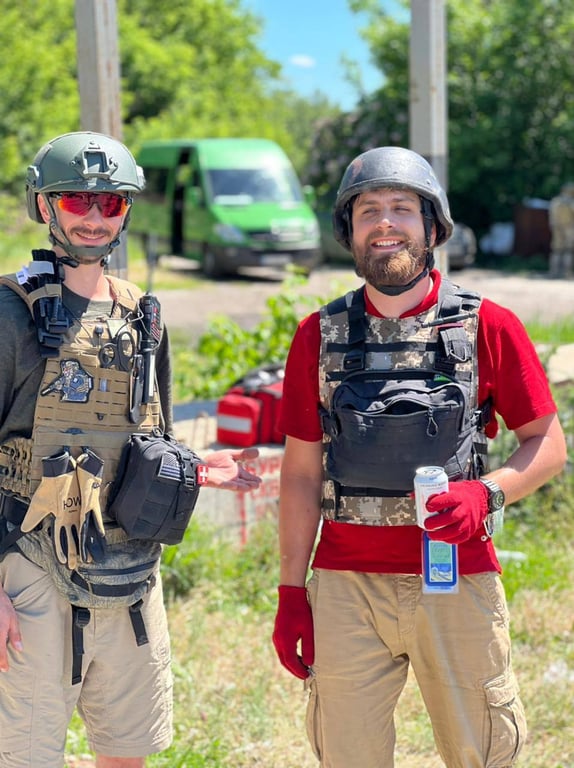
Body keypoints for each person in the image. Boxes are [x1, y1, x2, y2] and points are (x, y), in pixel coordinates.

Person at [272, 146, 567, 767]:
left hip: (458, 579)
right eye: (368, 211)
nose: (385, 224)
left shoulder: (489, 325)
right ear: (348, 232)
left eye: (402, 208)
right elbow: (301, 474)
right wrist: (292, 592)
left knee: (479, 755)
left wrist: (485, 492)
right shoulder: (316, 336)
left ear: (433, 227)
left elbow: (547, 444)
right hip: (347, 588)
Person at [0, 131, 261, 768]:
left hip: (130, 565)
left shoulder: (143, 315)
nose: (93, 218)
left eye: (110, 204)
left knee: (128, 752)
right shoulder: (9, 313)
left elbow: (151, 434)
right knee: (26, 756)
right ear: (44, 207)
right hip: (29, 563)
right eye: (75, 202)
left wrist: (195, 469)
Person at [548, 181, 574, 278]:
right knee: (568, 250)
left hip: (557, 228)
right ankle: (567, 272)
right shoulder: (571, 202)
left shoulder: (556, 201)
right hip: (569, 228)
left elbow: (551, 217)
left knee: (556, 251)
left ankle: (554, 272)